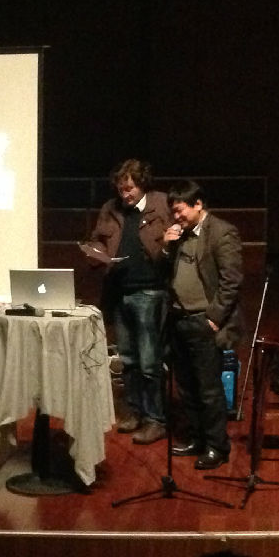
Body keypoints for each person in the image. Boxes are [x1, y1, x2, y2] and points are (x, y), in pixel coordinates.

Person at [85, 158, 172, 444]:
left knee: (149, 361)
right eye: (121, 189)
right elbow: (98, 239)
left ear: (142, 184)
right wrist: (95, 252)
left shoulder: (161, 203)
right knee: (129, 360)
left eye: (130, 188)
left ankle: (155, 419)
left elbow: (176, 240)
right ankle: (134, 412)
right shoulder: (110, 209)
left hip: (150, 292)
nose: (125, 194)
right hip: (119, 292)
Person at [162, 180, 243, 470]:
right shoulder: (179, 234)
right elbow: (166, 273)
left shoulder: (222, 232)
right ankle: (197, 439)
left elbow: (231, 281)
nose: (176, 217)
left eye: (180, 210)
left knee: (209, 389)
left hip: (203, 322)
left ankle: (217, 446)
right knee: (186, 387)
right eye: (173, 212)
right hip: (178, 319)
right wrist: (166, 247)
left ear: (198, 204)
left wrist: (214, 319)